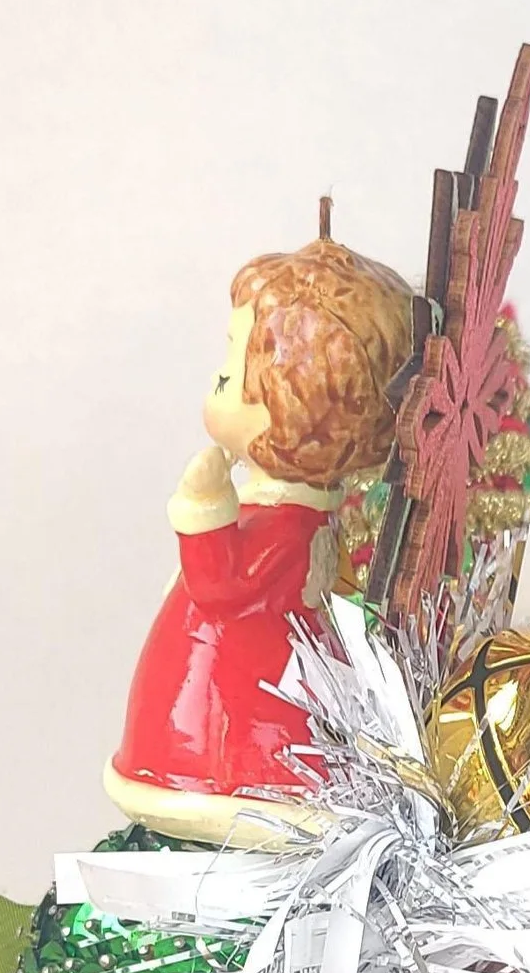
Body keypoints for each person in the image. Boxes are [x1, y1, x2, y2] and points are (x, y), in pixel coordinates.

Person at [105, 230, 416, 847]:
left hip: (224, 734)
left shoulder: (285, 526)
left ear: (294, 403)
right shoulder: (297, 518)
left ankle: (233, 786)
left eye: (230, 370)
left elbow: (220, 587)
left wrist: (203, 507)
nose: (217, 380)